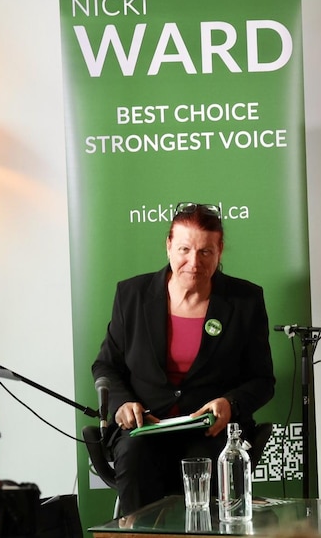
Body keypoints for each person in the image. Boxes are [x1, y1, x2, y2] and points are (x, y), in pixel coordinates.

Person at [92, 202, 275, 514]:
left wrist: (230, 403)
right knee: (136, 456)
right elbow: (106, 365)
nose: (194, 262)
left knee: (207, 466)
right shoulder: (132, 295)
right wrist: (122, 403)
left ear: (220, 251)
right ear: (168, 246)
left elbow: (263, 380)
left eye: (205, 252)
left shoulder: (245, 300)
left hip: (209, 431)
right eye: (184, 249)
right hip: (145, 428)